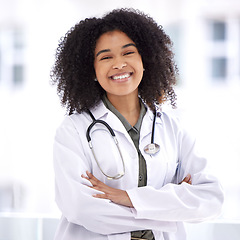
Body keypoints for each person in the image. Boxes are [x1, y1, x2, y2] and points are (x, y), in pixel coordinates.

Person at [51, 8, 224, 240]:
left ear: (145, 60)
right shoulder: (73, 130)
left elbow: (211, 199)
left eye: (128, 52)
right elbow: (81, 209)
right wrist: (169, 209)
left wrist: (126, 197)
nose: (119, 64)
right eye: (105, 57)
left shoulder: (173, 127)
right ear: (91, 70)